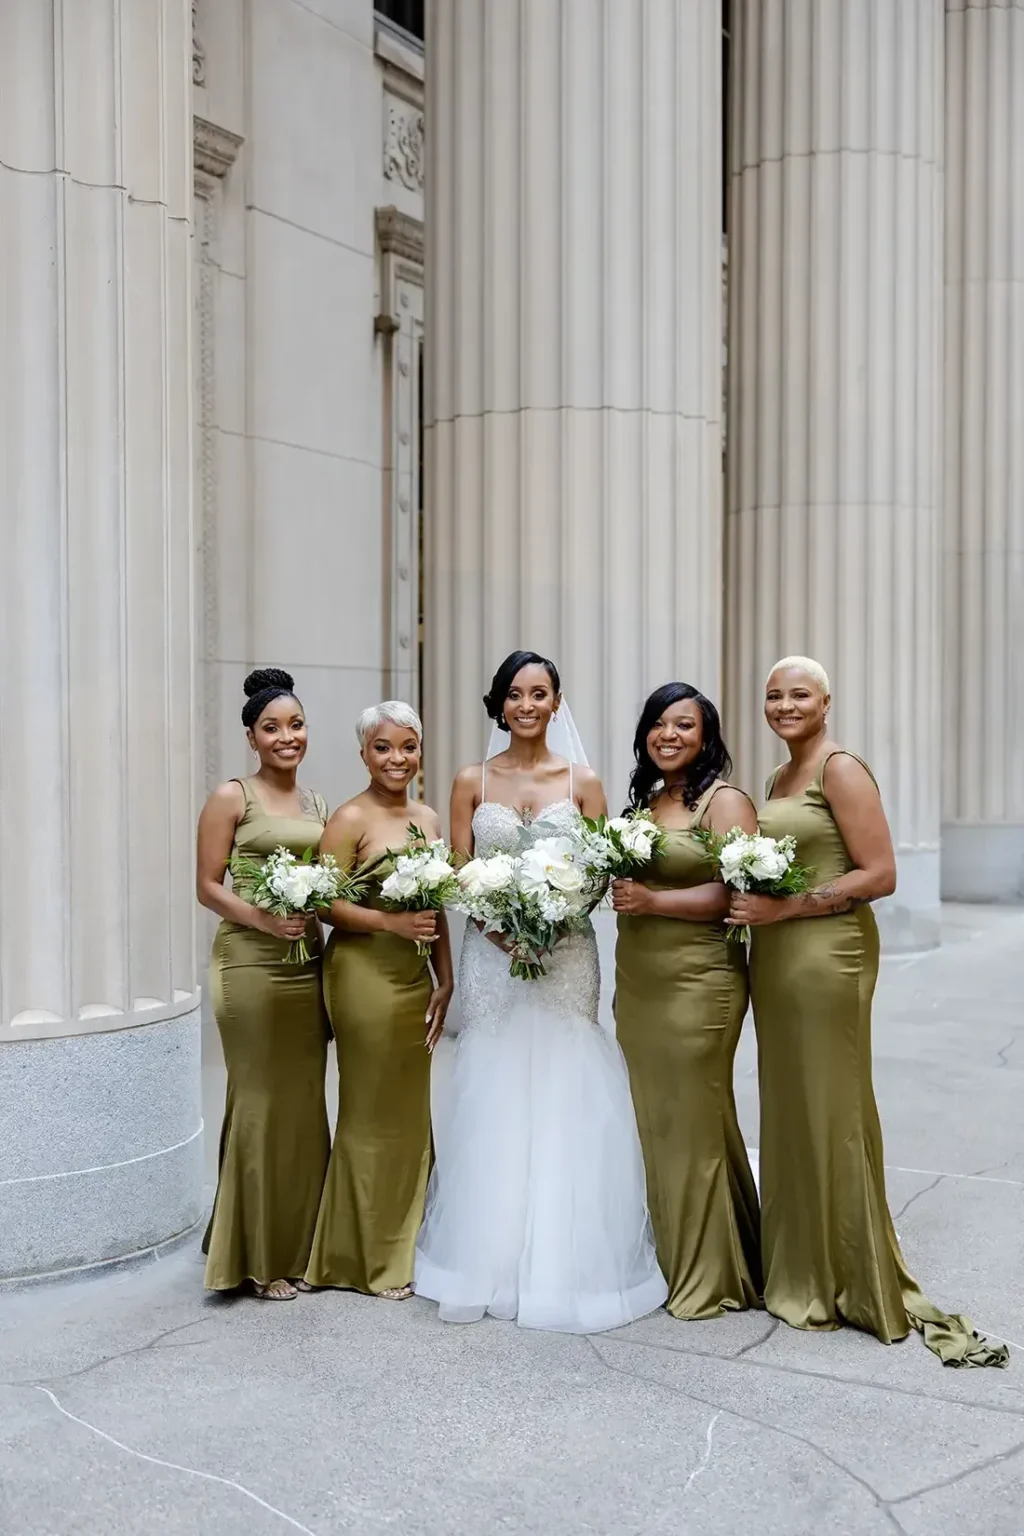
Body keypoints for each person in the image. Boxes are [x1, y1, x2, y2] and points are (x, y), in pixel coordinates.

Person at [732, 656, 1008, 1366]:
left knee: (832, 1102)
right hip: (779, 956)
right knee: (789, 1103)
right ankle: (798, 1266)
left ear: (827, 702)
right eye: (773, 695)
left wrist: (791, 904)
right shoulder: (777, 778)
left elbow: (881, 873)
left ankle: (847, 1272)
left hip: (828, 956)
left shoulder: (839, 768)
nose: (784, 705)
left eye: (799, 694)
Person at [415, 651, 668, 1332]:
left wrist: (553, 925)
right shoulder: (472, 779)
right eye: (515, 695)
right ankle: (489, 1258)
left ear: (557, 703)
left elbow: (596, 873)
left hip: (566, 955)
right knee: (495, 1081)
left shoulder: (583, 782)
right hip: (492, 956)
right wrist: (506, 933)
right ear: (499, 704)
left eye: (540, 694)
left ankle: (564, 1260)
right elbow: (460, 873)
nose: (527, 705)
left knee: (566, 1079)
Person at [612, 683, 762, 1319]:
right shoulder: (646, 804)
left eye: (684, 725)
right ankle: (693, 1250)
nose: (669, 735)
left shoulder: (723, 803)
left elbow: (738, 895)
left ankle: (709, 1274)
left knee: (693, 1117)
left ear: (706, 738)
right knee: (660, 1116)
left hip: (700, 981)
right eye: (658, 724)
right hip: (640, 980)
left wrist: (653, 901)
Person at [305, 702, 453, 1300]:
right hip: (363, 975)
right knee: (369, 1111)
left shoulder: (429, 817)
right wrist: (389, 927)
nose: (398, 759)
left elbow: (436, 906)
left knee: (411, 1111)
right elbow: (322, 903)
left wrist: (445, 977)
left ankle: (406, 1243)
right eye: (384, 747)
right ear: (364, 753)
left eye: (409, 746)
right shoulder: (349, 818)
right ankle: (361, 1258)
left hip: (415, 977)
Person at [197, 668, 331, 1300]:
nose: (287, 737)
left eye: (296, 725)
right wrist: (263, 918)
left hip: (307, 966)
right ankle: (255, 1256)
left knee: (304, 1100)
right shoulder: (233, 797)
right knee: (257, 1096)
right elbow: (207, 886)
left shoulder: (318, 805)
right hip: (247, 963)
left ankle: (303, 1243)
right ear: (251, 737)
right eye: (272, 728)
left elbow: (333, 884)